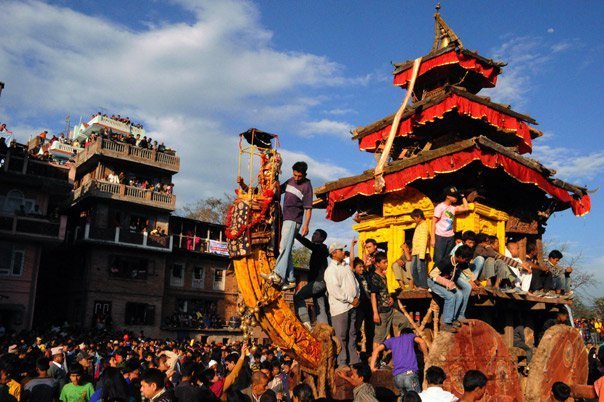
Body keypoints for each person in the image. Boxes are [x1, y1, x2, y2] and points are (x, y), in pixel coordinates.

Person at [261, 161, 313, 291]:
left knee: (283, 247)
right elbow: (279, 192)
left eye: (299, 176)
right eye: (295, 175)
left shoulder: (307, 186)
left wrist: (306, 225)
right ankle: (291, 280)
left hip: (294, 220)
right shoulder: (290, 181)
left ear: (304, 174)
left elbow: (308, 208)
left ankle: (278, 274)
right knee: (287, 249)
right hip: (285, 218)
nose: (296, 178)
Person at [324, 242, 360, 369]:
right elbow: (335, 290)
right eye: (340, 250)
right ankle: (342, 363)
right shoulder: (330, 270)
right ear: (333, 253)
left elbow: (355, 283)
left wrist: (357, 297)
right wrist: (351, 299)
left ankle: (353, 361)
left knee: (352, 334)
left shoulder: (346, 267)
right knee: (341, 337)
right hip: (340, 308)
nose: (343, 252)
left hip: (352, 306)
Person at [370, 253, 411, 352]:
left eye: (387, 262)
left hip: (389, 309)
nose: (387, 264)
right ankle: (375, 360)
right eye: (384, 262)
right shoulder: (374, 277)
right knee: (379, 337)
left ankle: (400, 346)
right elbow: (373, 295)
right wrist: (375, 313)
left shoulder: (383, 276)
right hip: (381, 312)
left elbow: (383, 292)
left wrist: (390, 298)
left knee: (404, 321)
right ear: (377, 264)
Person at [428, 245, 474, 332]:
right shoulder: (445, 261)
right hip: (433, 282)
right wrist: (446, 282)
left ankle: (454, 318)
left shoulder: (460, 262)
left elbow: (467, 272)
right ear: (460, 257)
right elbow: (432, 274)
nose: (467, 262)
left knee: (459, 295)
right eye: (466, 259)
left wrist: (475, 280)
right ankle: (446, 323)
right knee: (450, 296)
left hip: (446, 284)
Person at [369, 327, 427, 395]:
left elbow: (376, 350)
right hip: (409, 374)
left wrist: (372, 367)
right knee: (415, 398)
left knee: (404, 398)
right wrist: (426, 355)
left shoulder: (392, 340)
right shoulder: (410, 336)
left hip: (397, 378)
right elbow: (422, 341)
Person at [293, 229, 330, 330]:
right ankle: (325, 332)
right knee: (320, 308)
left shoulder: (320, 247)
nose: (313, 236)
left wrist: (296, 234)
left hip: (318, 283)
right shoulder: (321, 250)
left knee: (298, 296)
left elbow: (308, 244)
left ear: (322, 238)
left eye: (315, 234)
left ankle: (306, 323)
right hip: (321, 283)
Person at [431, 187, 469, 266]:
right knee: (439, 259)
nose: (456, 198)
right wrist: (433, 238)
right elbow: (433, 222)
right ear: (448, 196)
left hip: (450, 237)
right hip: (440, 236)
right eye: (454, 196)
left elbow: (466, 208)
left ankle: (443, 276)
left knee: (447, 259)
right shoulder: (440, 207)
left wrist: (462, 196)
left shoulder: (453, 208)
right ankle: (434, 277)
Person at [410, 209, 429, 289]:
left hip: (421, 252)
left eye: (414, 218)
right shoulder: (418, 225)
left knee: (420, 268)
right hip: (415, 252)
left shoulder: (424, 225)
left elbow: (423, 240)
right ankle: (418, 285)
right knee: (413, 269)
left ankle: (423, 286)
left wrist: (422, 255)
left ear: (419, 217)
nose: (414, 220)